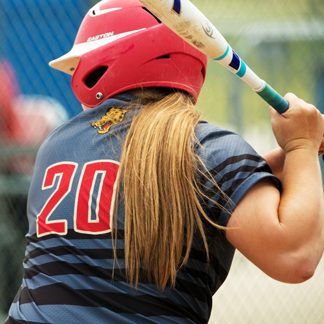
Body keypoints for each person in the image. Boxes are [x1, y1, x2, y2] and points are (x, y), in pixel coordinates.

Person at [6, 0, 324, 323]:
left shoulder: (56, 147)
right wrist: (300, 145)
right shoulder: (210, 151)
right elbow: (296, 255)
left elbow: (180, 187)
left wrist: (292, 158)